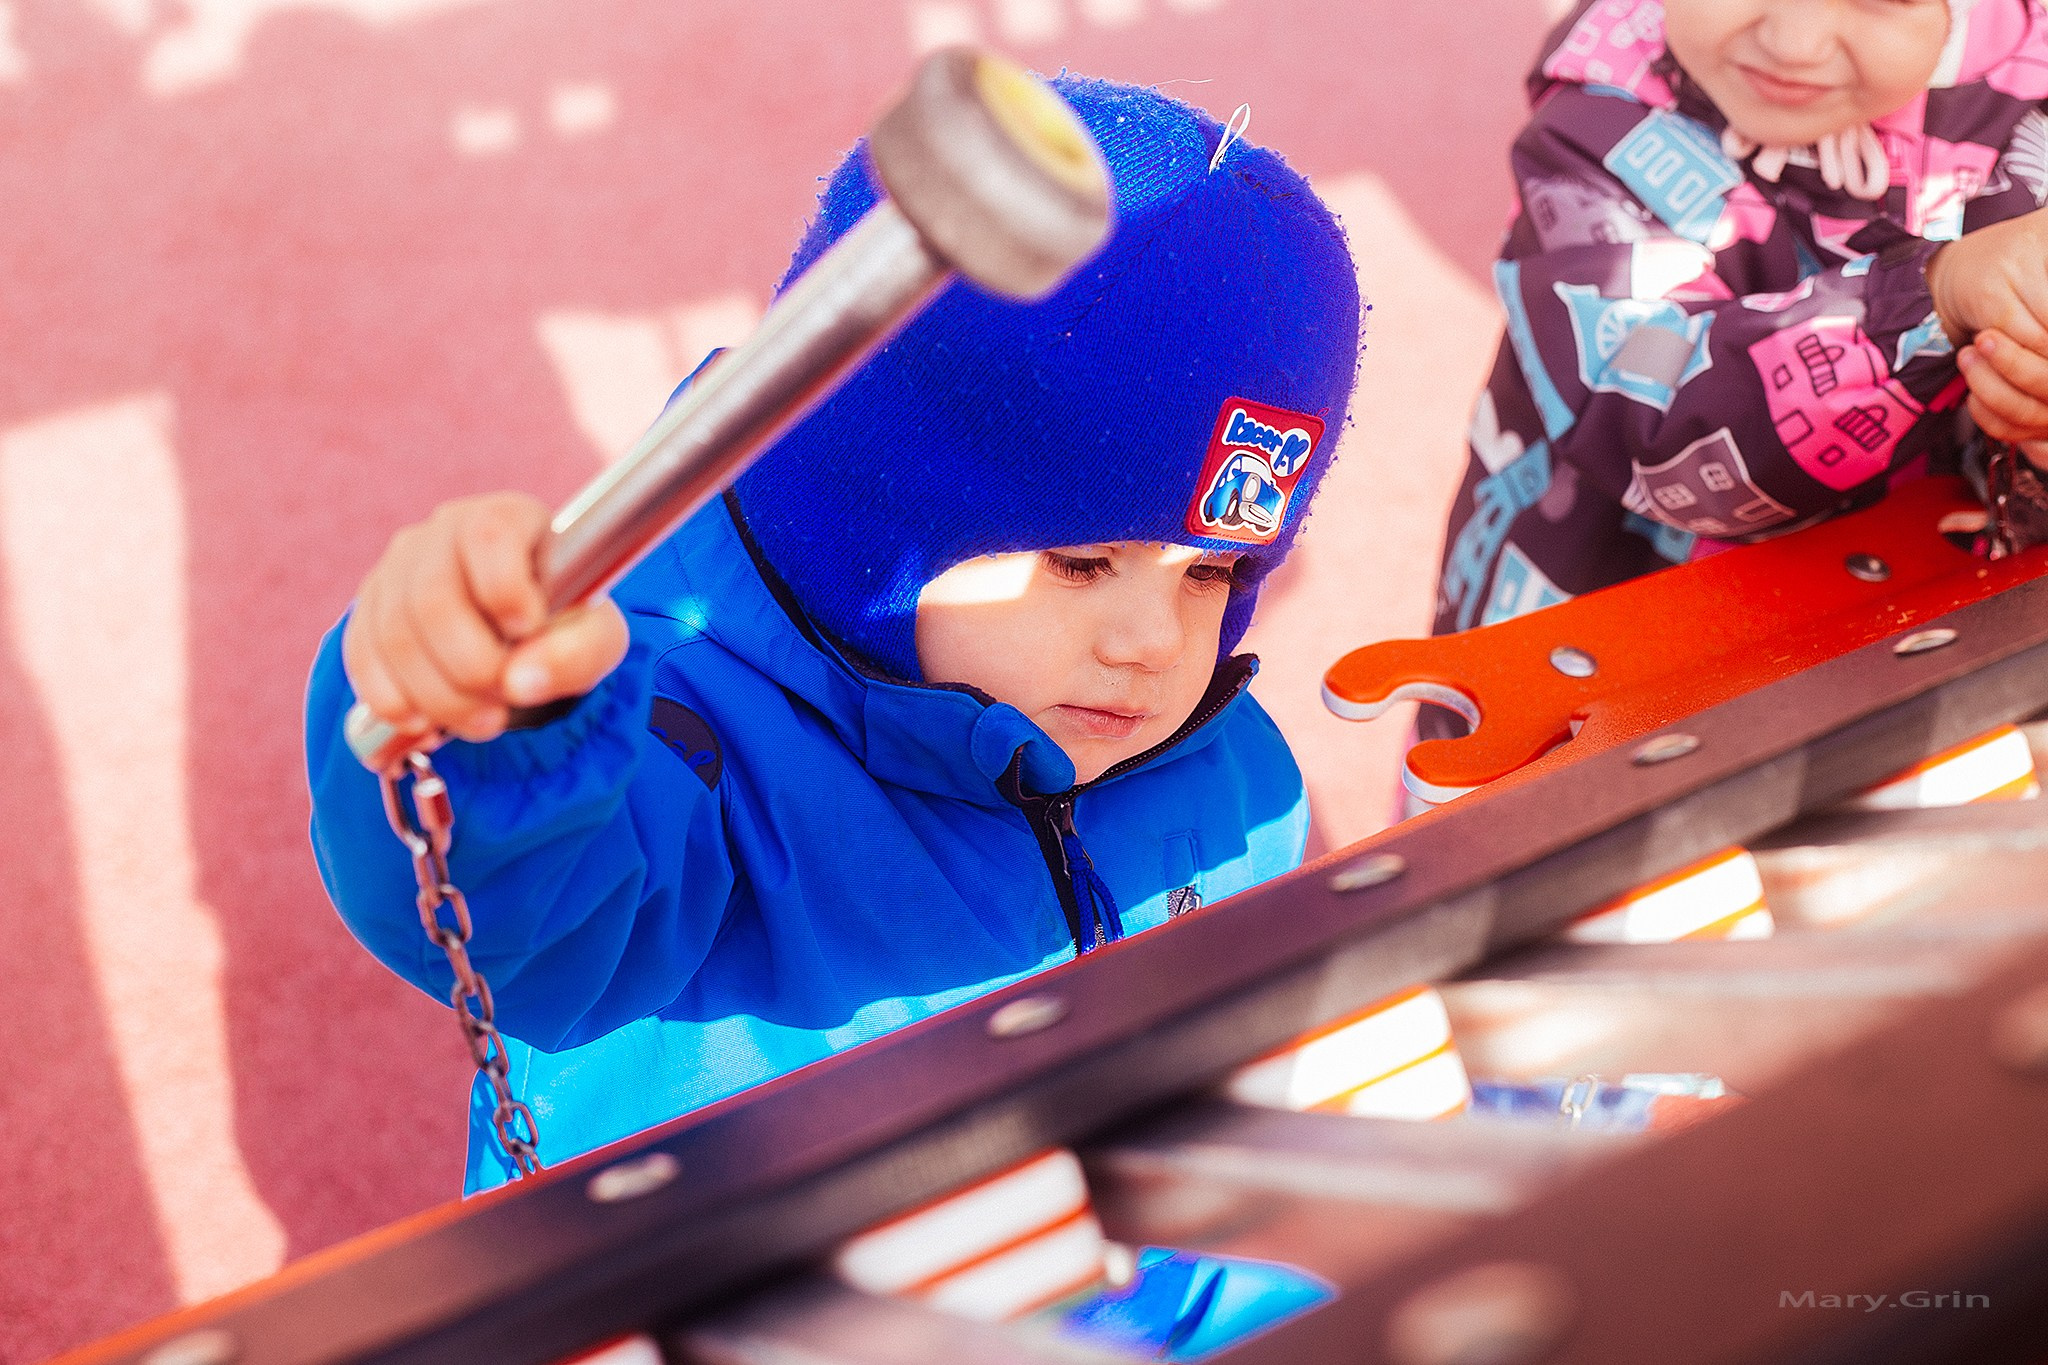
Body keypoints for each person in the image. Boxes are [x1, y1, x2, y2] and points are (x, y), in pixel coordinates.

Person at [305, 76, 1362, 1193]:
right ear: (873, 515)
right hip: (731, 1266)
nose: (1153, 642)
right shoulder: (694, 754)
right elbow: (513, 908)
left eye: (1212, 573)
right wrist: (488, 725)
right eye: (1081, 563)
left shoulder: (1231, 774)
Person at [1432, 0, 2048, 659]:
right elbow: (1650, 422)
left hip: (1934, 642)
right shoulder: (1601, 122)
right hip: (1619, 637)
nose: (1793, 43)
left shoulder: (2028, 112)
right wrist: (1935, 300)